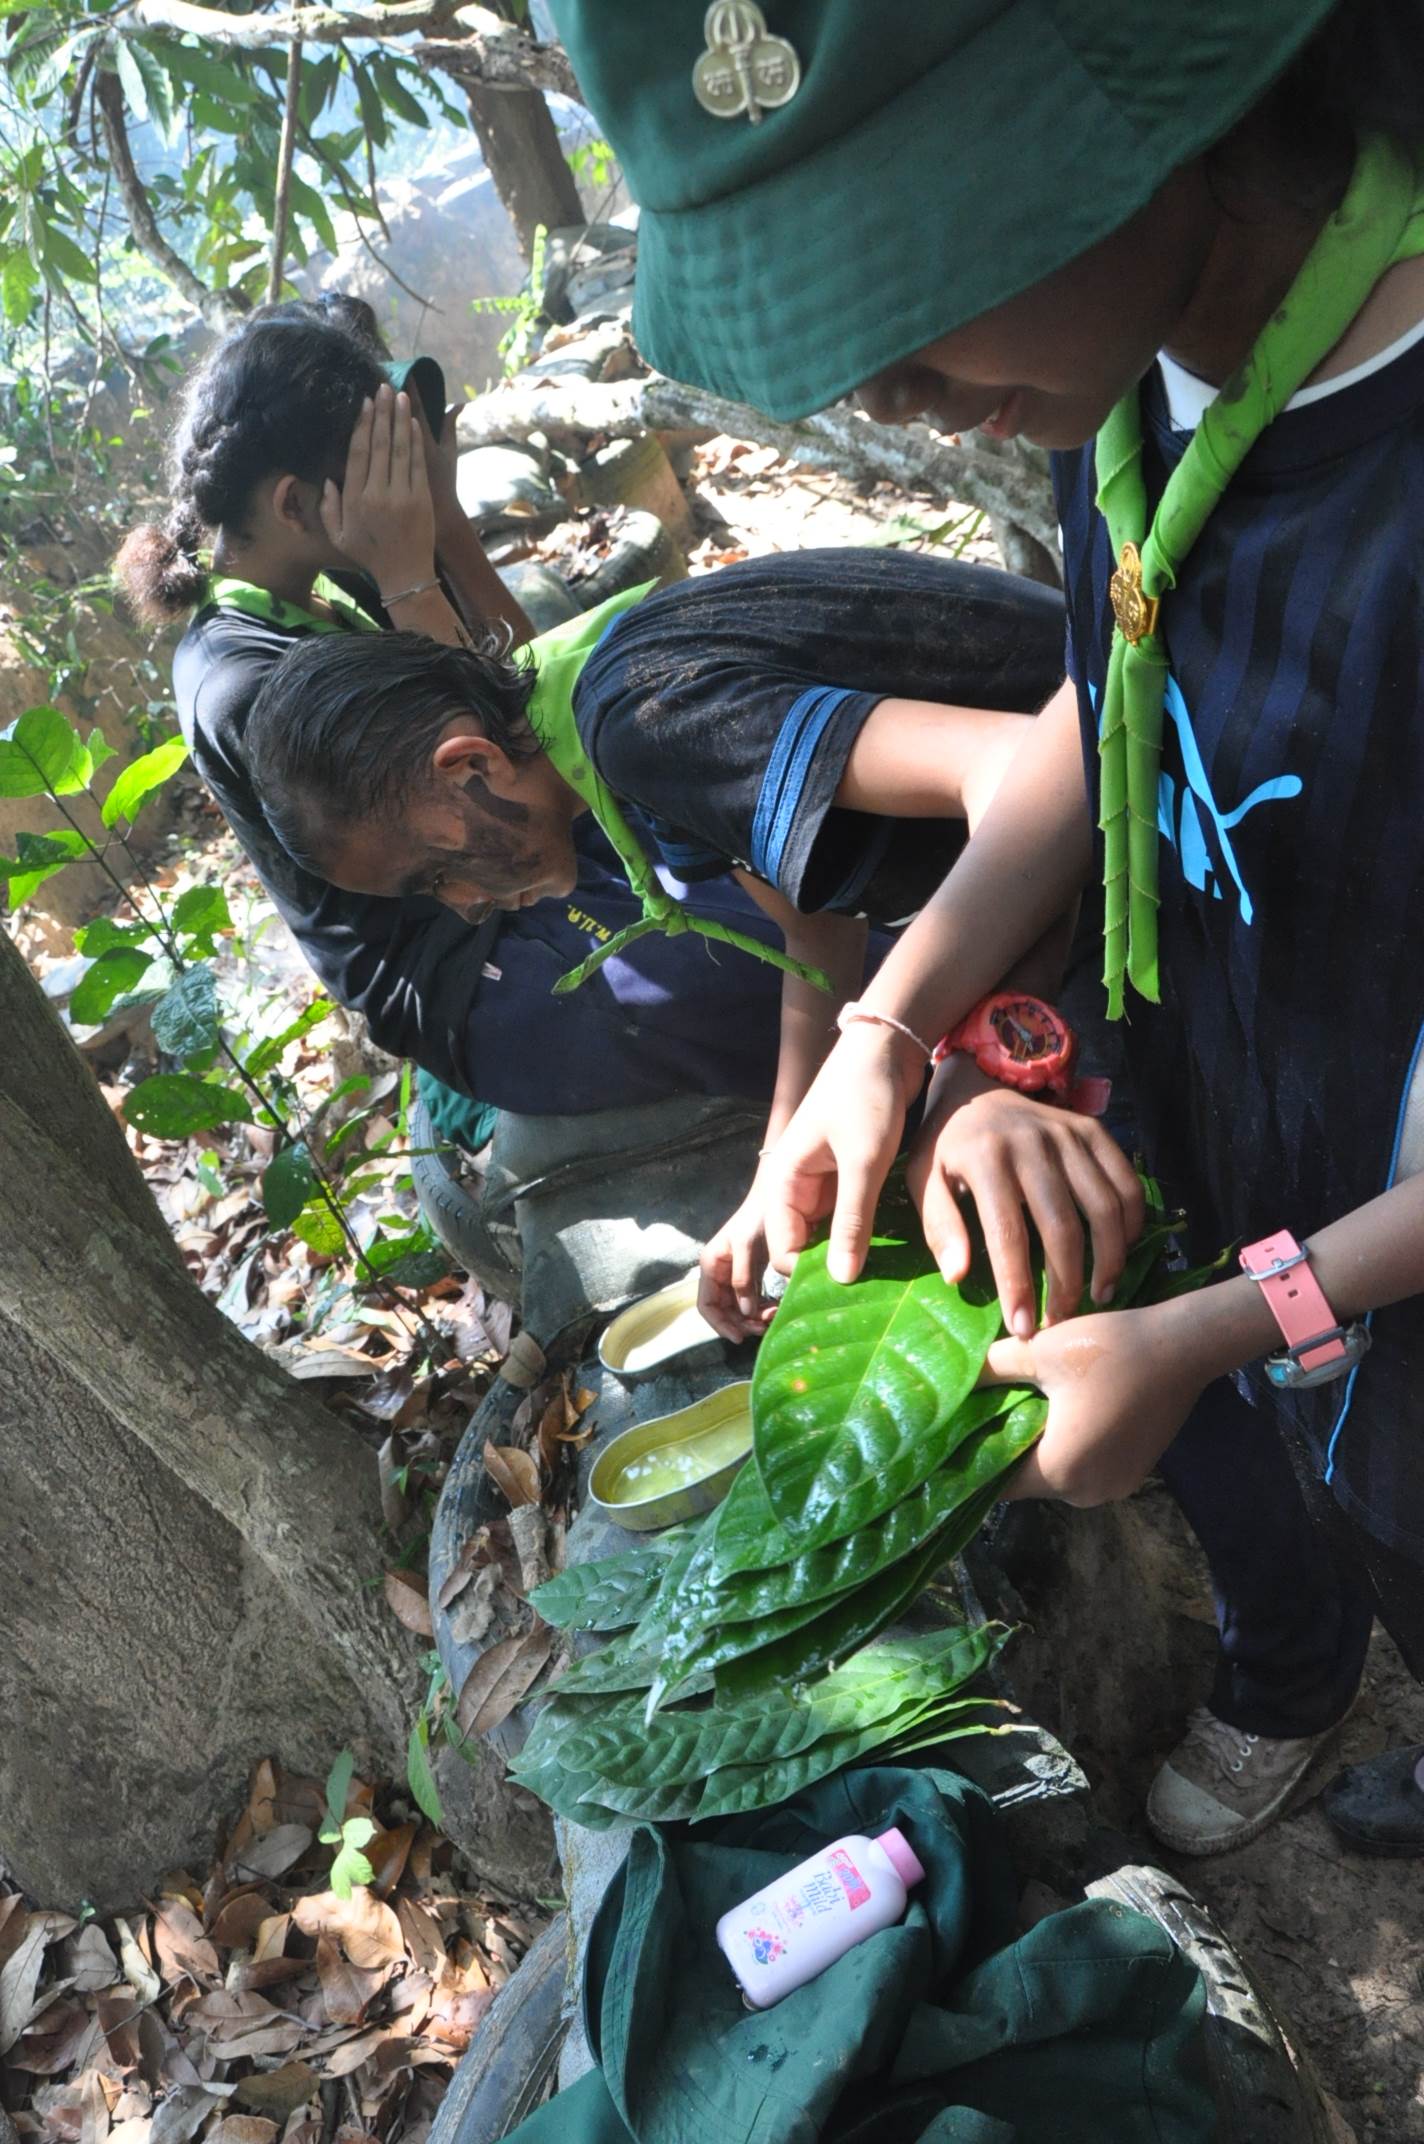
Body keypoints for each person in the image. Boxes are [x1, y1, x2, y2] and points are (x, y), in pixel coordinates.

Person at [547, 0, 1424, 1857]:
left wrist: (1207, 1331)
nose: (876, 385)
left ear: (1129, 108)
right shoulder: (1136, 380)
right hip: (1315, 1252)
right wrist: (886, 1033)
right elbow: (1102, 721)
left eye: (903, 273)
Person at [238, 549, 1083, 1334]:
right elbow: (816, 927)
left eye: (434, 876)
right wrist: (776, 1169)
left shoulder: (637, 722)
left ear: (469, 766)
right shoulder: (593, 737)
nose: (461, 908)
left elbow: (1036, 764)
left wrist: (947, 1058)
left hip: (1138, 793)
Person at [112, 301, 870, 1133]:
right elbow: (469, 781)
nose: (397, 486)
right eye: (378, 467)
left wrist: (444, 532)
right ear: (295, 504)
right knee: (733, 988)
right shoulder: (236, 681)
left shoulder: (339, 576)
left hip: (521, 836)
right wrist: (406, 575)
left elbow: (526, 704)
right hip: (463, 944)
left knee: (780, 861)